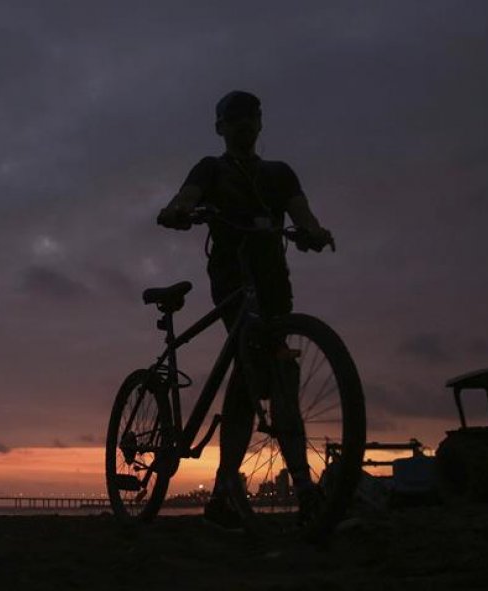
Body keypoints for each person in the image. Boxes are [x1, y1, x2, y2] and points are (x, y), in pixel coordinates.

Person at [157, 90, 334, 528]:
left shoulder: (279, 173)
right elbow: (188, 194)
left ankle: (230, 490)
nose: (243, 124)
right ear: (220, 127)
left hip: (273, 280)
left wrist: (312, 232)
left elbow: (301, 213)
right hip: (233, 277)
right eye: (233, 118)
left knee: (271, 372)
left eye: (250, 116)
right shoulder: (212, 167)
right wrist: (179, 210)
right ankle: (294, 488)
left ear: (260, 123)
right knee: (256, 366)